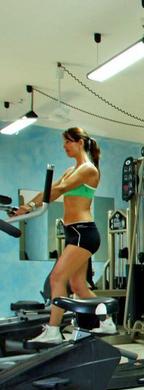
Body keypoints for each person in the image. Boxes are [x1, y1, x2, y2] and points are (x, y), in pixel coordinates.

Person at [13, 127, 115, 343]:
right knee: (78, 286)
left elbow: (60, 189)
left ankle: (53, 330)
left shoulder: (88, 169)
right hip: (73, 232)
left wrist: (31, 205)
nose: (64, 146)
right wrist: (26, 207)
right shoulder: (71, 170)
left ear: (79, 142)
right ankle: (106, 321)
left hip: (83, 232)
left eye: (67, 142)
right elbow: (52, 189)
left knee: (56, 278)